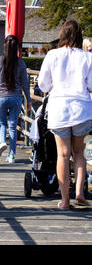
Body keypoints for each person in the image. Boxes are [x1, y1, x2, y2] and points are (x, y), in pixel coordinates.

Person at [38, 20, 92, 210]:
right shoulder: (87, 57)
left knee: (62, 154)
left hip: (59, 108)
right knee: (79, 154)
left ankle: (65, 200)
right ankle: (79, 192)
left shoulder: (52, 55)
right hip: (82, 109)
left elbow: (43, 85)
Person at [0, 35, 32, 163]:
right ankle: (12, 155)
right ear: (18, 48)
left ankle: (2, 142)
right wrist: (29, 100)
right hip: (16, 97)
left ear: (4, 46)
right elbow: (25, 84)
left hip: (0, 97)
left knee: (2, 123)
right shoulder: (21, 63)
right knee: (12, 126)